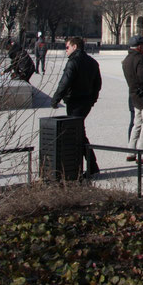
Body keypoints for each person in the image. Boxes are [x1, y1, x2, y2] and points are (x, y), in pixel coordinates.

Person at [50, 37, 102, 179]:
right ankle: (90, 167)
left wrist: (55, 99)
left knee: (77, 134)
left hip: (75, 102)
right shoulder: (92, 62)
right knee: (79, 132)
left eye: (67, 47)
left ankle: (87, 167)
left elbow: (64, 82)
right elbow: (98, 84)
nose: (65, 50)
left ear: (74, 46)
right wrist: (93, 99)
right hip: (86, 102)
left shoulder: (73, 62)